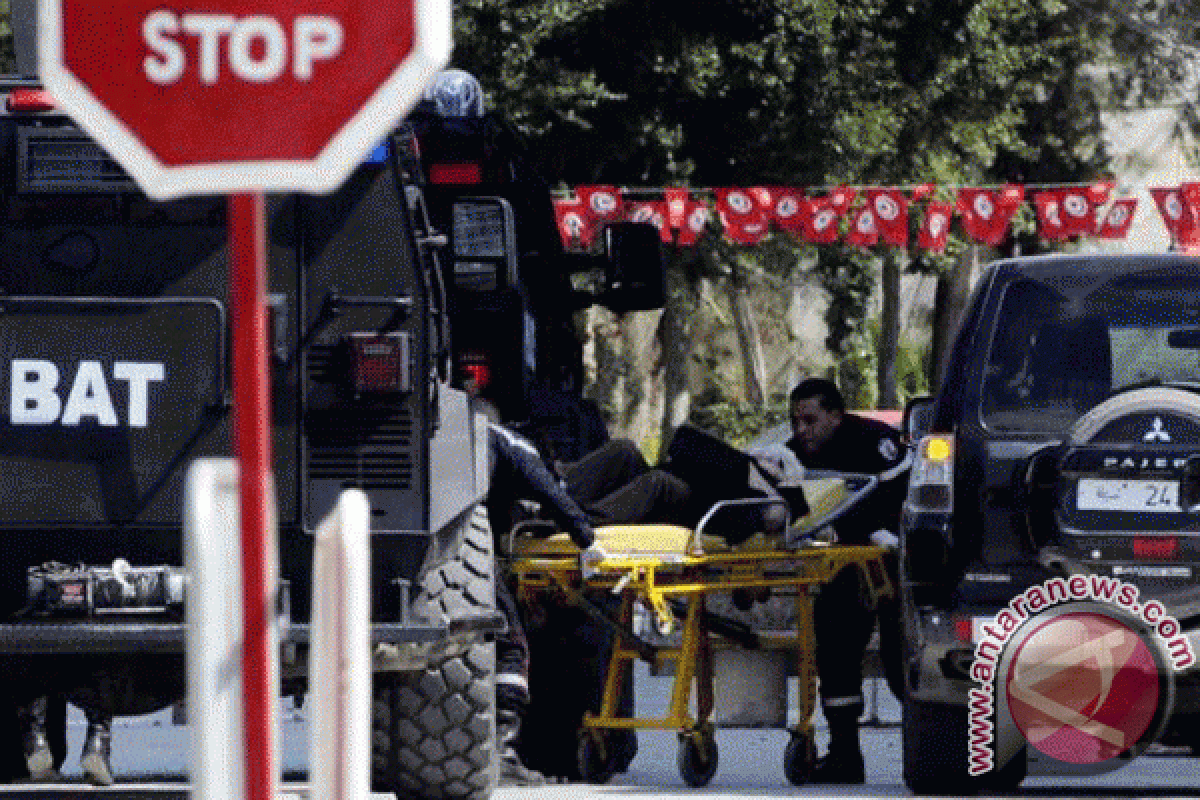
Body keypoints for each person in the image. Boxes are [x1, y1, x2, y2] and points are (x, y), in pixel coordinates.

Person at [784, 377, 911, 784]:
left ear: (836, 416)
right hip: (844, 564)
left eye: (810, 420)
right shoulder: (792, 458)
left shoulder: (875, 442)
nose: (801, 430)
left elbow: (904, 496)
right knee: (834, 644)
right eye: (795, 421)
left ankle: (934, 748)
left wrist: (876, 531)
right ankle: (844, 756)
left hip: (893, 561)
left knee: (901, 657)